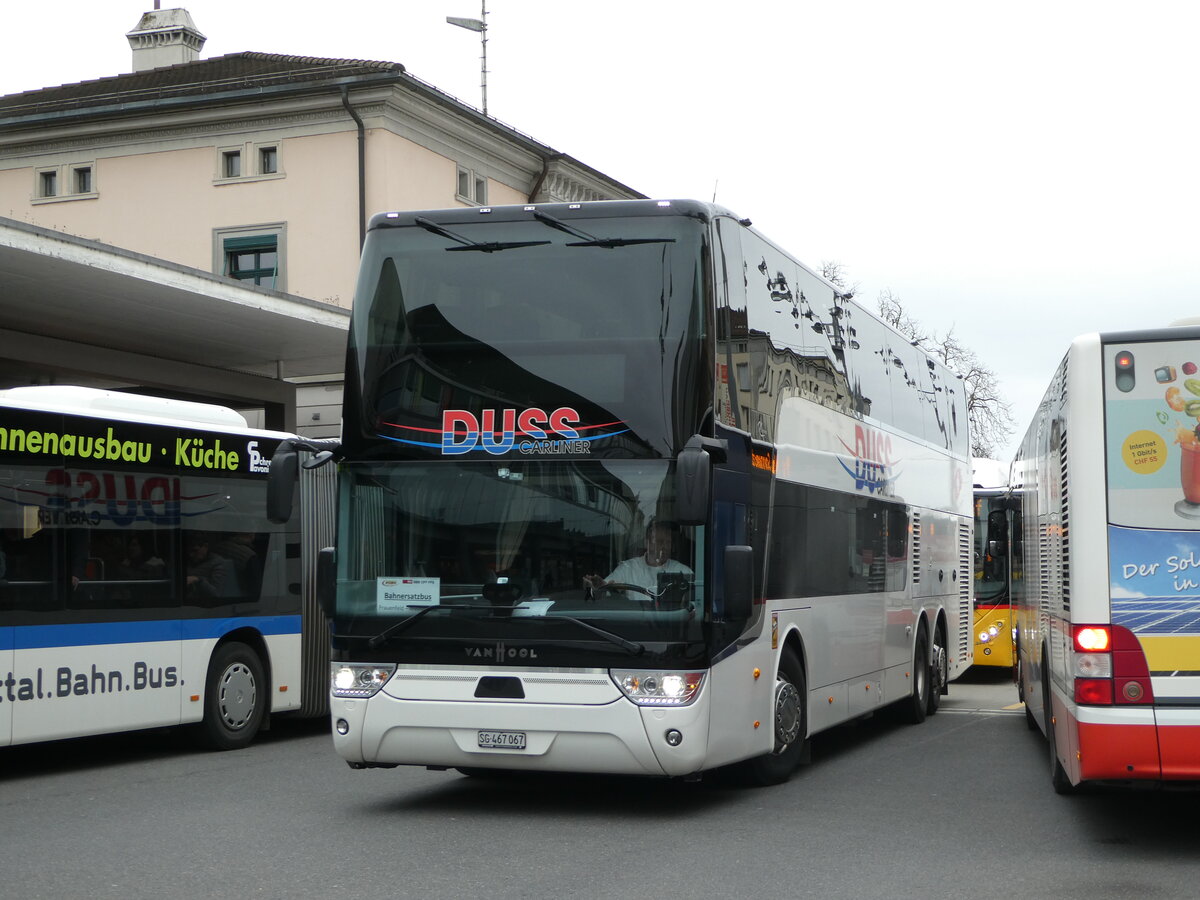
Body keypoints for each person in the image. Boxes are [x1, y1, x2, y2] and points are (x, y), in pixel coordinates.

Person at [584, 520, 692, 598]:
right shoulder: (627, 568)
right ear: (647, 542)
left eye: (668, 542)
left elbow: (693, 605)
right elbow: (604, 589)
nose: (664, 546)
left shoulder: (682, 571)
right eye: (659, 541)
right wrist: (598, 587)